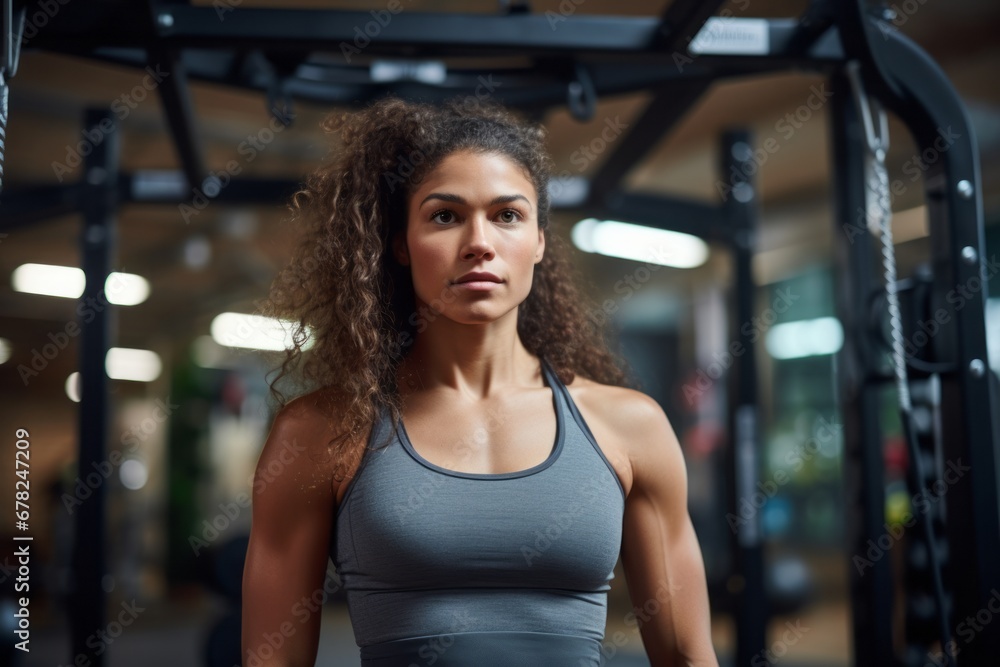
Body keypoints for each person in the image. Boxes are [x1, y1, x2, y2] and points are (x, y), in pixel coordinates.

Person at [242, 94, 718, 666]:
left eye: (507, 215)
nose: (478, 243)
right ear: (399, 244)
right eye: (445, 215)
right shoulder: (320, 431)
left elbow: (690, 657)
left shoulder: (630, 427)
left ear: (540, 239)